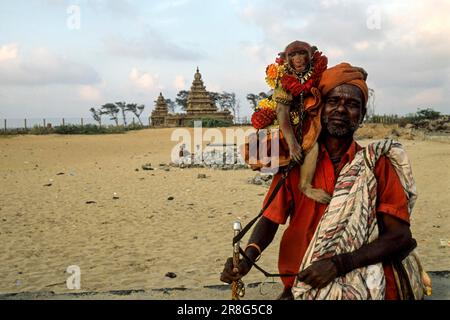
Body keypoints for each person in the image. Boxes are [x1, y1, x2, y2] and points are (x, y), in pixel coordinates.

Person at [221, 63, 420, 300]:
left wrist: (339, 264)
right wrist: (247, 258)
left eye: (352, 105)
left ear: (362, 115)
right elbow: (270, 219)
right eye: (333, 101)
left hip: (361, 281)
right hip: (300, 282)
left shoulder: (376, 165)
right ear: (319, 108)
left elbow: (400, 237)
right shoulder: (294, 163)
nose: (341, 110)